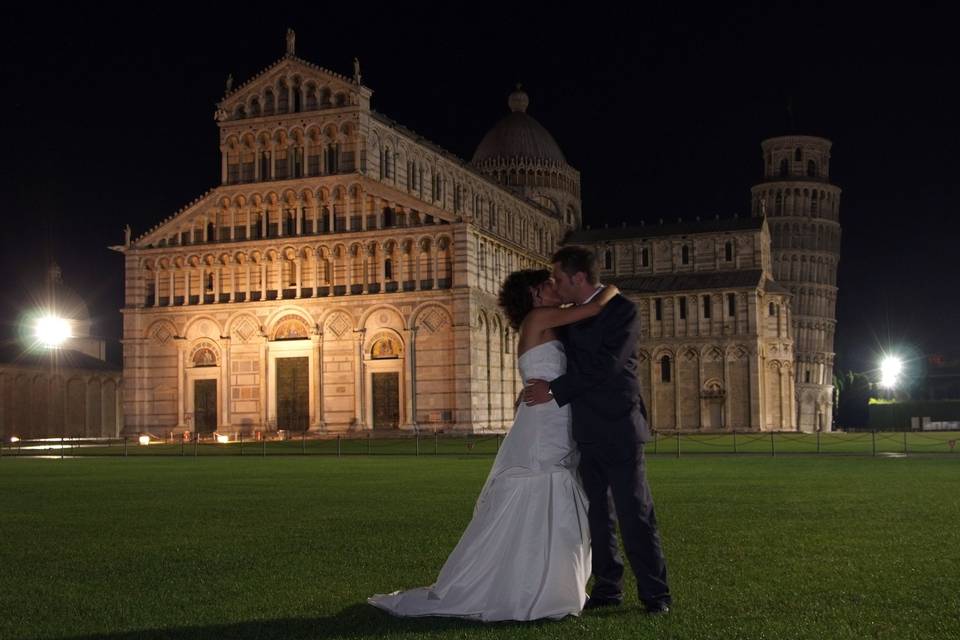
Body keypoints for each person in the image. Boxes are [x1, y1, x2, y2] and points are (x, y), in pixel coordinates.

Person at [368, 269, 618, 621]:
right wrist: (610, 290)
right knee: (541, 484)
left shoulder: (543, 321)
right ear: (535, 295)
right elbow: (593, 310)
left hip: (550, 415)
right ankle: (536, 588)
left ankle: (538, 586)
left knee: (545, 488)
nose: (554, 287)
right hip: (545, 420)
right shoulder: (540, 316)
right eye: (547, 284)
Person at [524, 245, 671, 615]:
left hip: (621, 425)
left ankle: (656, 595)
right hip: (585, 427)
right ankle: (609, 587)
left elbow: (606, 365)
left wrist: (554, 391)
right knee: (597, 516)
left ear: (577, 277)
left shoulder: (624, 311)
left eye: (558, 278)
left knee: (634, 512)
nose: (555, 284)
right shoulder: (569, 315)